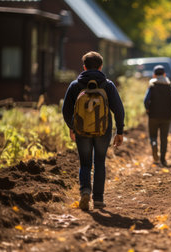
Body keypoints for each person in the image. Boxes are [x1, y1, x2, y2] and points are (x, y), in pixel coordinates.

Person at [62, 51, 124, 211]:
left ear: (84, 67)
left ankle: (84, 191)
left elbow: (66, 110)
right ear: (101, 67)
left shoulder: (75, 85)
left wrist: (72, 127)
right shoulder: (108, 85)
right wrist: (120, 131)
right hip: (103, 131)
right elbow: (119, 109)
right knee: (99, 163)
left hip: (82, 131)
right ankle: (98, 200)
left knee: (85, 163)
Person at [144, 65, 171, 166]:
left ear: (154, 75)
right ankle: (163, 159)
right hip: (166, 117)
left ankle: (154, 146)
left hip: (153, 116)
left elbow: (146, 100)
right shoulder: (168, 87)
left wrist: (148, 110)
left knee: (153, 136)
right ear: (164, 74)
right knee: (164, 138)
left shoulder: (152, 86)